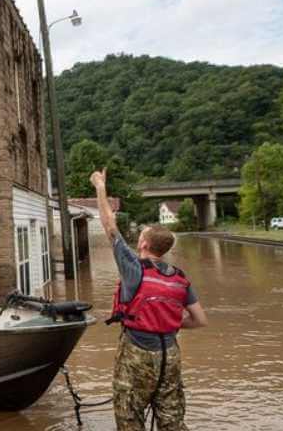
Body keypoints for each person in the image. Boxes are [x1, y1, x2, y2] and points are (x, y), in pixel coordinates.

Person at [89, 169, 207, 431]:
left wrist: (99, 186)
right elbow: (200, 320)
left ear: (143, 243)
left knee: (130, 414)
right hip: (171, 355)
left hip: (137, 354)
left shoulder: (134, 269)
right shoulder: (179, 278)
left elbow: (110, 227)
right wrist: (170, 323)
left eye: (141, 235)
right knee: (171, 419)